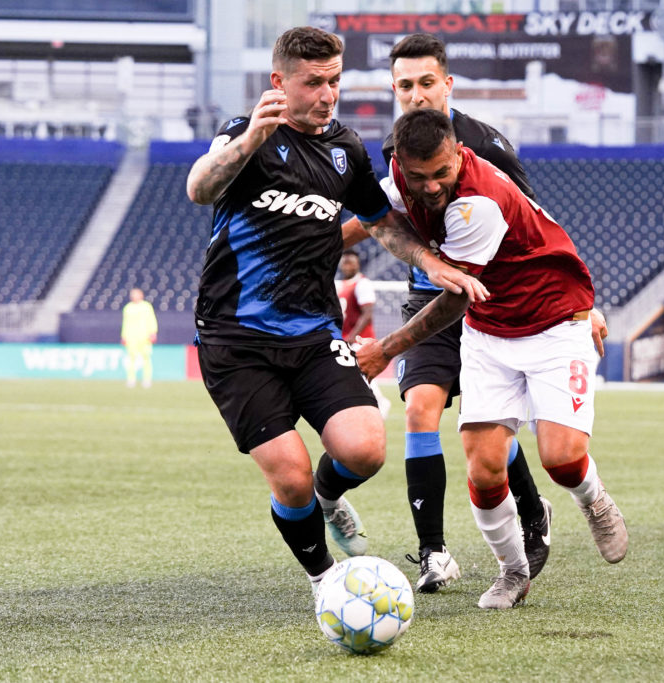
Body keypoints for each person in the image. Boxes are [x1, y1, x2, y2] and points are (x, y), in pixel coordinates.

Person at [184, 27, 487, 598]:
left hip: (314, 333)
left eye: (335, 82)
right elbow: (200, 188)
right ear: (279, 83)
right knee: (291, 478)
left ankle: (330, 498)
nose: (327, 95)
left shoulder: (345, 148)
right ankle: (326, 578)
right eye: (313, 83)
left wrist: (429, 260)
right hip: (235, 340)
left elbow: (379, 222)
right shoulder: (244, 137)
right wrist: (251, 137)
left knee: (364, 448)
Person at [341, 33, 608, 594]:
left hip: (497, 299)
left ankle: (535, 512)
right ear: (395, 89)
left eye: (426, 83)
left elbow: (538, 225)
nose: (416, 94)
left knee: (500, 438)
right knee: (421, 412)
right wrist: (311, 244)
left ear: (447, 83)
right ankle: (434, 551)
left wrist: (590, 303)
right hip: (428, 295)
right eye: (405, 86)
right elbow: (379, 211)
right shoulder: (398, 148)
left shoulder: (486, 147)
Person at [336, 249, 391, 417]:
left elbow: (367, 313)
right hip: (344, 337)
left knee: (360, 372)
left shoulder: (362, 283)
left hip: (359, 339)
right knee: (351, 374)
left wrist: (352, 336)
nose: (347, 265)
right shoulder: (340, 285)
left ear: (358, 264)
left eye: (351, 262)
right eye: (345, 262)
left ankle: (380, 403)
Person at [121, 287, 158, 388]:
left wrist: (153, 332)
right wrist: (124, 336)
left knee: (146, 358)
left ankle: (147, 380)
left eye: (136, 294)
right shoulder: (127, 308)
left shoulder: (147, 306)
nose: (134, 296)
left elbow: (152, 320)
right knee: (131, 358)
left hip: (145, 336)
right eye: (132, 294)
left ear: (141, 295)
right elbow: (125, 323)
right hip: (131, 337)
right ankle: (131, 379)